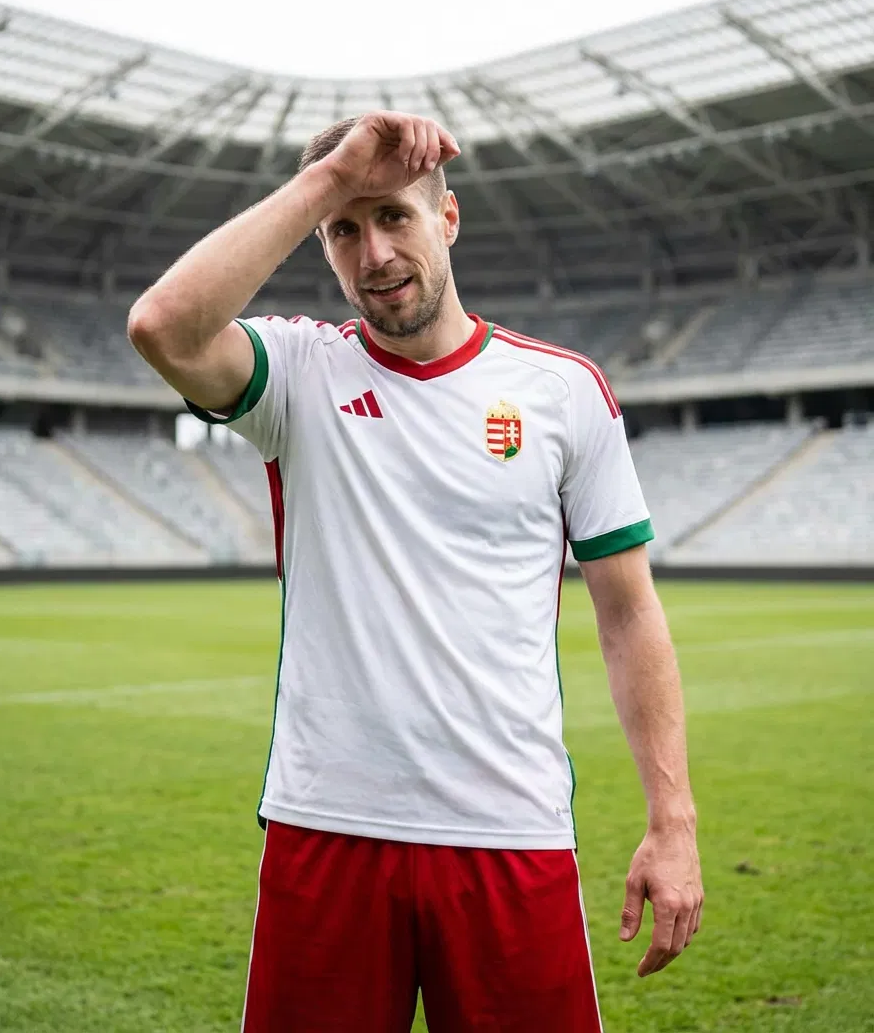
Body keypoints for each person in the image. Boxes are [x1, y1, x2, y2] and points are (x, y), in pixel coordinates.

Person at [128, 111, 703, 1033]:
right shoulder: (300, 374)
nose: (374, 252)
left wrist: (672, 822)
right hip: (327, 828)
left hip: (508, 834)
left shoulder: (561, 392)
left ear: (450, 219)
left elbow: (630, 616)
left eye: (394, 216)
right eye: (344, 232)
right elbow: (162, 325)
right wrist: (328, 180)